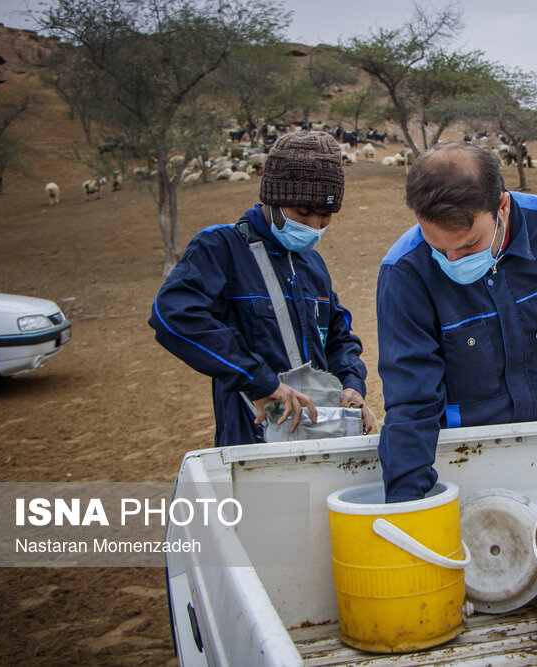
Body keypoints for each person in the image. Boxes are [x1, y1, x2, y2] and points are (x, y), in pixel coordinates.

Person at [376, 142, 537, 502]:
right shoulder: (404, 273)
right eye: (438, 247)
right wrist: (407, 506)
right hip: (464, 456)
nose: (453, 259)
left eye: (469, 246)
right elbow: (410, 403)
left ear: (502, 207)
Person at [149, 131, 371, 446]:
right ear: (272, 199)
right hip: (253, 438)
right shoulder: (221, 248)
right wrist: (260, 381)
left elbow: (338, 336)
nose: (313, 227)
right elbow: (172, 315)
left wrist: (352, 384)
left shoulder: (313, 265)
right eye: (303, 214)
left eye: (325, 217)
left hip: (320, 436)